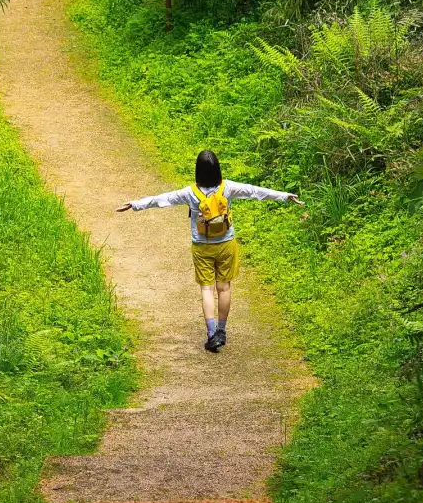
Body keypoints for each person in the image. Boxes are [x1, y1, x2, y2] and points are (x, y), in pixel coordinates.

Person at [116, 149, 301, 352]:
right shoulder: (227, 188)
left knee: (207, 289)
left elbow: (164, 199)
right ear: (217, 169)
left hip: (202, 246)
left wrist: (136, 204)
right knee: (224, 288)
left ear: (198, 171)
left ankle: (211, 334)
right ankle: (221, 331)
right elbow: (254, 191)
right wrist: (285, 196)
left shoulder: (190, 193)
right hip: (226, 244)